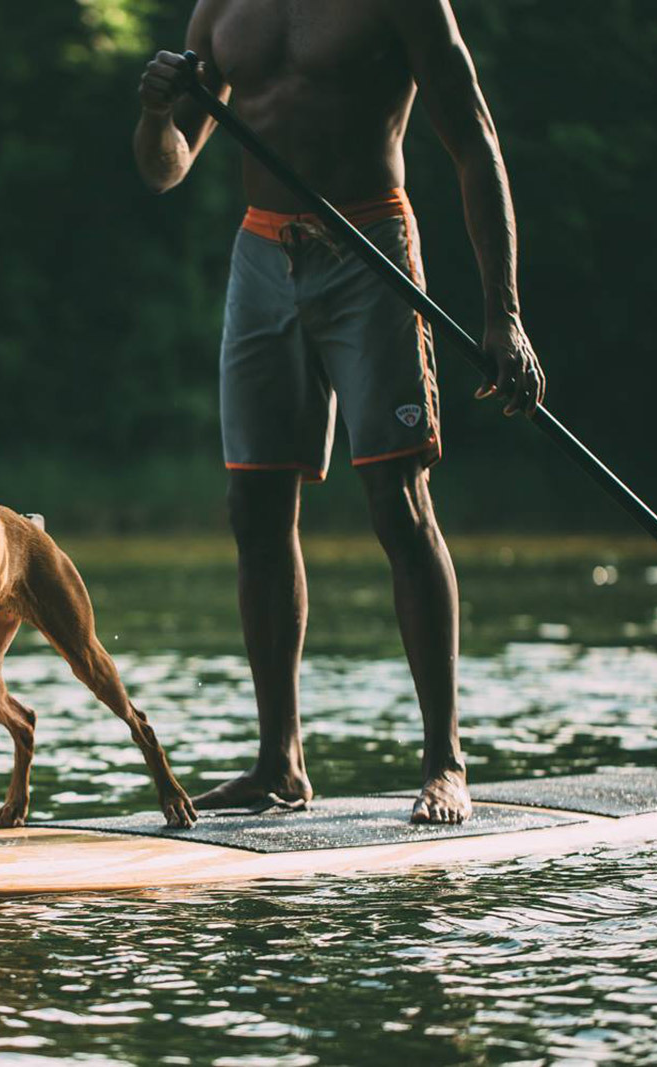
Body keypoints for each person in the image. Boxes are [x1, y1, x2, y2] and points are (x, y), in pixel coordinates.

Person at [133, 0, 545, 823]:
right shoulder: (221, 10)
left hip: (371, 249)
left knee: (398, 500)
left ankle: (445, 762)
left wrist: (504, 313)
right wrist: (153, 112)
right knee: (254, 506)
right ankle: (278, 763)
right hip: (261, 254)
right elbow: (166, 165)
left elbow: (474, 142)